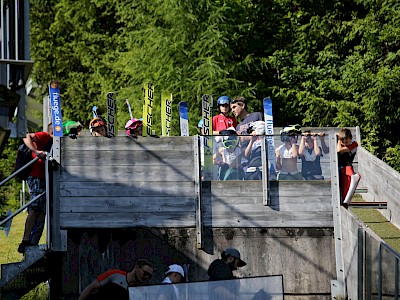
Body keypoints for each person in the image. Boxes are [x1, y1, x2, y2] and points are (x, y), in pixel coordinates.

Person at [18, 124, 53, 253]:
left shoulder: (53, 142)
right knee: (35, 208)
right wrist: (36, 151)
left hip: (44, 179)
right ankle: (25, 240)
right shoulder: (45, 136)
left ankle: (33, 243)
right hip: (36, 177)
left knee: (41, 212)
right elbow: (26, 136)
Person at [78, 258, 154, 300]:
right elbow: (92, 286)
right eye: (145, 273)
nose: (146, 277)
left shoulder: (139, 291)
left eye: (149, 276)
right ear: (137, 268)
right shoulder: (115, 274)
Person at [337, 128, 360, 208]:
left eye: (346, 142)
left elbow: (340, 150)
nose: (345, 143)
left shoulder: (354, 144)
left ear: (350, 138)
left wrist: (339, 140)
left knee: (351, 177)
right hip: (338, 166)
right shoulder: (340, 142)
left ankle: (345, 201)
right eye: (342, 141)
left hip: (347, 165)